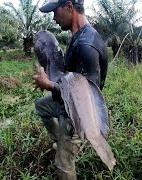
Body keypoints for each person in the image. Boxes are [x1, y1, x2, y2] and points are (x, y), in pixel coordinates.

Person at [33, 0, 108, 179]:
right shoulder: (77, 35)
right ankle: (61, 140)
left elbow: (85, 95)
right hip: (68, 103)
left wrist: (49, 85)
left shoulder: (86, 45)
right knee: (41, 106)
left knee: (63, 163)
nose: (54, 18)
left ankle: (67, 146)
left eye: (55, 12)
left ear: (68, 7)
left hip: (80, 114)